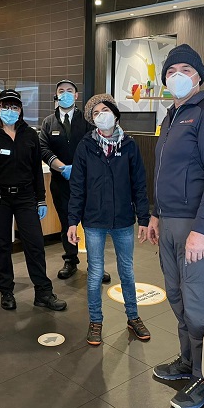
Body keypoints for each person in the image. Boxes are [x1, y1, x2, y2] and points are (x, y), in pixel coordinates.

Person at [147, 44, 204, 408]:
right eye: (170, 71)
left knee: (196, 301)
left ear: (198, 75)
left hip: (196, 224)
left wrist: (202, 228)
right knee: (176, 295)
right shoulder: (170, 117)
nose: (177, 76)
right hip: (168, 221)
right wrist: (155, 214)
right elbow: (163, 172)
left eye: (184, 69)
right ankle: (188, 362)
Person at [67, 93, 151, 346]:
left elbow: (139, 184)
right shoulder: (85, 146)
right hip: (93, 220)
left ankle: (133, 317)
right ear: (92, 120)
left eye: (105, 110)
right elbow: (77, 186)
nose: (101, 115)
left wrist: (144, 218)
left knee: (127, 270)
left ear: (115, 114)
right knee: (95, 273)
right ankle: (95, 321)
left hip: (123, 219)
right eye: (95, 113)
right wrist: (72, 221)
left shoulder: (129, 146)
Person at [0, 89, 67, 312]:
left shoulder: (30, 135)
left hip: (26, 196)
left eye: (14, 106)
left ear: (20, 110)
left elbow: (36, 169)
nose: (10, 110)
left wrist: (41, 199)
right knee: (1, 245)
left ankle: (43, 292)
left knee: (35, 244)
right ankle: (6, 291)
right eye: (5, 106)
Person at [39, 80, 110, 283]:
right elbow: (43, 148)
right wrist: (62, 168)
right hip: (61, 182)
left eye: (69, 91)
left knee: (91, 224)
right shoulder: (48, 122)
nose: (65, 94)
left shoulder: (87, 120)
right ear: (56, 95)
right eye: (61, 91)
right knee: (66, 222)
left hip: (87, 183)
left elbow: (97, 145)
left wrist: (79, 169)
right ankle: (70, 260)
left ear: (76, 96)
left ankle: (95, 264)